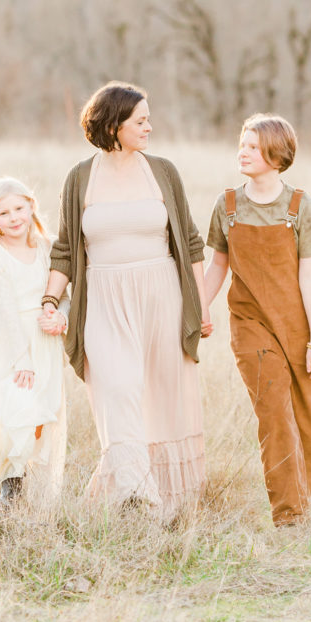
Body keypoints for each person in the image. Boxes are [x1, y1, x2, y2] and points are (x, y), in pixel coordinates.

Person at [42, 81, 210, 516]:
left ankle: (161, 502)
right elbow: (64, 249)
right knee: (116, 389)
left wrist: (202, 306)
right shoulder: (80, 177)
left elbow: (190, 243)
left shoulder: (163, 172)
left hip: (161, 298)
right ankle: (139, 495)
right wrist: (49, 300)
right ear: (114, 125)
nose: (150, 127)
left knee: (159, 395)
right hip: (103, 299)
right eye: (141, 121)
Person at [204, 114, 311, 527]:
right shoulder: (228, 206)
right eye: (242, 143)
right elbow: (218, 266)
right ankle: (288, 515)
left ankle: (302, 499)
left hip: (296, 326)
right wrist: (200, 308)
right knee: (274, 413)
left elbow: (310, 276)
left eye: (253, 146)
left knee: (310, 421)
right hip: (250, 324)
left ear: (277, 155)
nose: (243, 151)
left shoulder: (299, 206)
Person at [0, 177, 68, 506]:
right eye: (4, 213)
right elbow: (1, 314)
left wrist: (60, 317)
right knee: (18, 412)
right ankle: (11, 488)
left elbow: (62, 293)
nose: (14, 218)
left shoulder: (46, 248)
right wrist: (19, 358)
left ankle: (26, 483)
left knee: (41, 415)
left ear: (31, 207)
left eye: (19, 209)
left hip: (45, 341)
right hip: (14, 348)